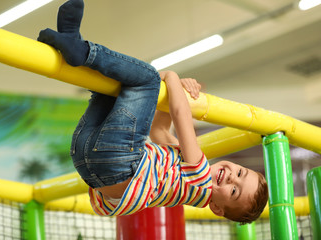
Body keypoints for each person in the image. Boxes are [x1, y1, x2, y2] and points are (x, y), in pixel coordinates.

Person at [38, 0, 268, 224]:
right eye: (240, 173)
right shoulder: (183, 180)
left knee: (148, 78)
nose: (230, 178)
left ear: (217, 208)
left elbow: (180, 113)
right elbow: (159, 130)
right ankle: (72, 44)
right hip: (86, 159)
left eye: (234, 191)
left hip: (119, 162)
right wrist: (175, 89)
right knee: (111, 89)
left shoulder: (200, 178)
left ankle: (82, 51)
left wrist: (172, 77)